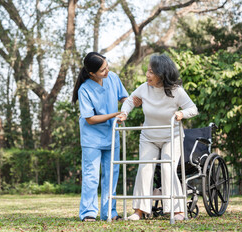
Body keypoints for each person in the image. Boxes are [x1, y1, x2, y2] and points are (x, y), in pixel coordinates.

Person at [117, 54, 198, 221]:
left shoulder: (176, 91)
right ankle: (139, 211)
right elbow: (130, 101)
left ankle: (177, 211)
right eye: (147, 71)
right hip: (149, 137)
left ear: (162, 74)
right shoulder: (144, 88)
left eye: (151, 72)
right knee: (144, 168)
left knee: (168, 168)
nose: (147, 75)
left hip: (172, 136)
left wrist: (181, 113)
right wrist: (124, 113)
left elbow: (193, 108)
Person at [72, 52, 140, 222]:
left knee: (111, 175)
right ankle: (88, 212)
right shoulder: (85, 89)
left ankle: (110, 212)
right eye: (102, 70)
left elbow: (125, 97)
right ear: (91, 73)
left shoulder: (113, 78)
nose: (107, 71)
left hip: (111, 136)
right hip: (91, 138)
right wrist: (113, 115)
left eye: (107, 67)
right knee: (91, 176)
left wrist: (129, 105)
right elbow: (90, 118)